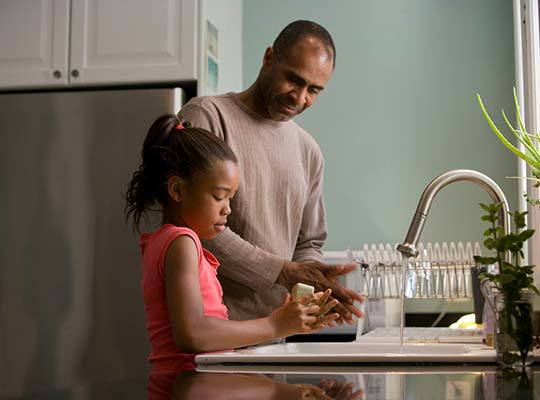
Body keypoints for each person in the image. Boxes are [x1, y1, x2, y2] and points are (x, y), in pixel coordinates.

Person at [178, 20, 363, 324]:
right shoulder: (207, 116)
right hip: (211, 330)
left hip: (276, 334)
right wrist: (282, 271)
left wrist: (313, 288)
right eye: (294, 79)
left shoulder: (309, 151)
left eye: (314, 90)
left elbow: (309, 243)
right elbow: (193, 225)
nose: (300, 98)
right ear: (268, 59)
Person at [125, 114, 339, 372]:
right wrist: (274, 325)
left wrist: (283, 320)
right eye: (219, 197)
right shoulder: (182, 243)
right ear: (177, 190)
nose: (228, 210)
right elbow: (193, 334)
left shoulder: (166, 240)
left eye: (231, 198)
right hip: (186, 386)